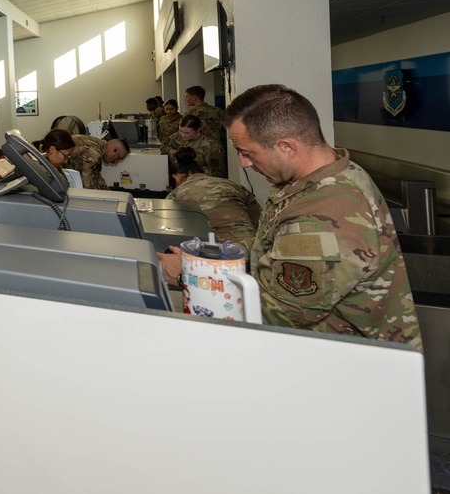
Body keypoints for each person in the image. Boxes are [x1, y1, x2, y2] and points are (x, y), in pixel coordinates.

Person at [160, 84, 422, 351]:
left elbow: (276, 316)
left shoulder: (324, 214)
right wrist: (208, 266)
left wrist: (191, 276)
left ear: (286, 147)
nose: (243, 163)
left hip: (340, 362)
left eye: (247, 153)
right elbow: (272, 264)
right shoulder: (318, 178)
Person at [167, 147, 260, 253]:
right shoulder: (233, 185)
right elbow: (259, 219)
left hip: (212, 250)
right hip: (250, 247)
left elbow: (170, 229)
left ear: (176, 177)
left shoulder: (176, 194)